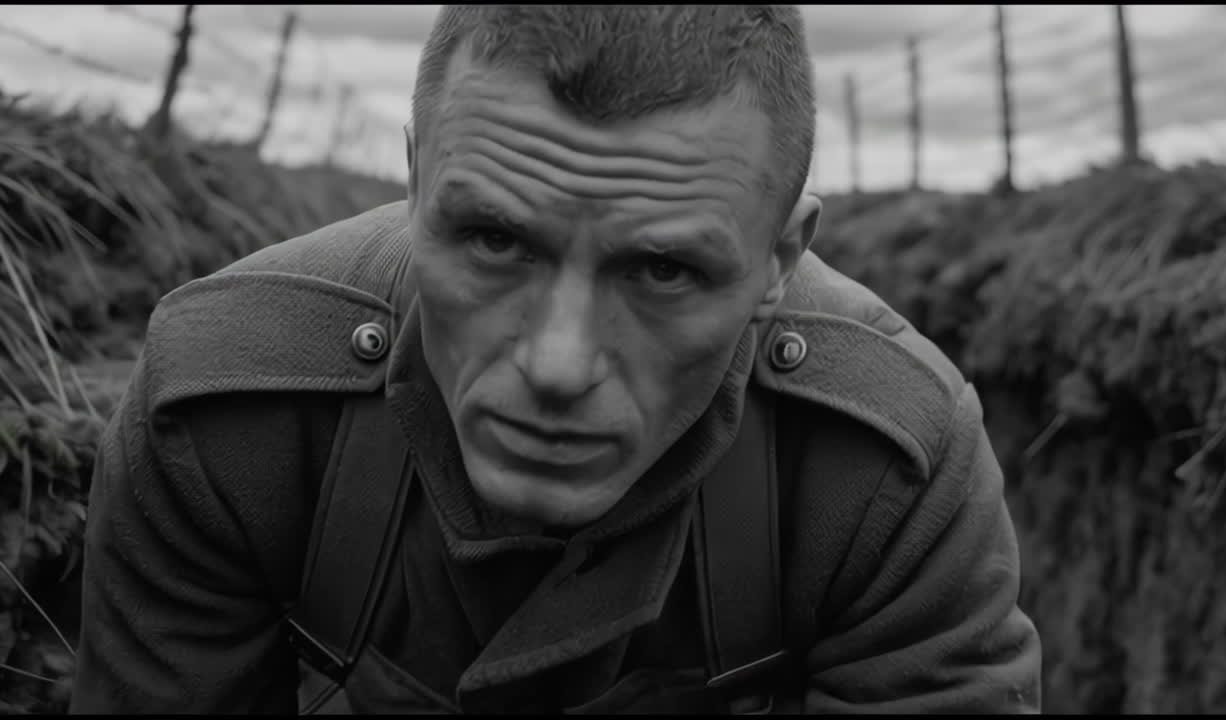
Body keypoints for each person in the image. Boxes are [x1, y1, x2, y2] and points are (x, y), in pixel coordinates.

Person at [70, 4, 1041, 714]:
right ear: (415, 184)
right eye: (495, 241)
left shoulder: (884, 474)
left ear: (778, 262)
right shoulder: (229, 412)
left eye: (662, 269)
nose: (558, 365)